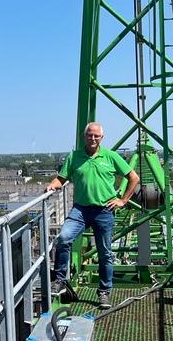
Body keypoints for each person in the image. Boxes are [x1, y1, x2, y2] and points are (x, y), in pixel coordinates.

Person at [46, 122, 140, 308]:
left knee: (105, 253)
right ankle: (59, 280)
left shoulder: (111, 156)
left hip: (104, 210)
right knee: (63, 238)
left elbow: (133, 177)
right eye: (90, 135)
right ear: (84, 136)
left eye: (96, 136)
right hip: (80, 209)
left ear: (102, 138)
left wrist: (123, 200)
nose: (93, 138)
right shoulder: (74, 157)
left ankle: (104, 291)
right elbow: (61, 178)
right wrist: (52, 185)